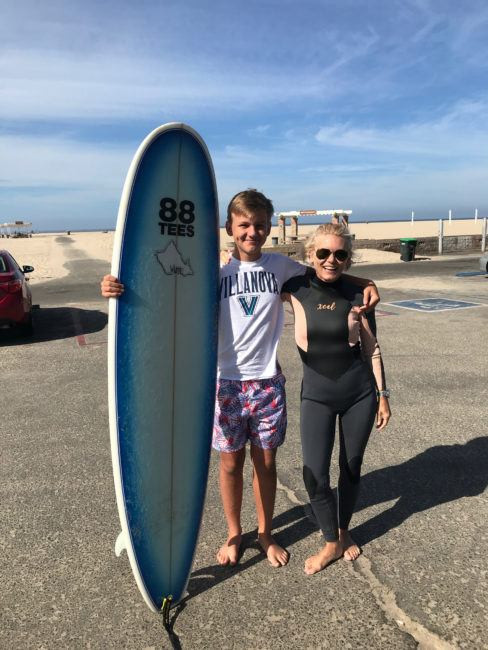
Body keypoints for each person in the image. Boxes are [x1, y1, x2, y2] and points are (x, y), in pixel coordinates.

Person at [101, 190, 381, 569]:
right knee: (230, 465)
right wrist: (117, 287)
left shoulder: (281, 268)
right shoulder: (209, 273)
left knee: (265, 466)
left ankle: (265, 532)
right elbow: (163, 291)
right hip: (225, 384)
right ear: (230, 227)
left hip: (267, 384)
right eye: (244, 225)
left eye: (260, 225)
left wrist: (366, 282)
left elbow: (328, 274)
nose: (253, 232)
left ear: (268, 228)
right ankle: (234, 533)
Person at [281, 223, 391, 575]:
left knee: (351, 467)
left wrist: (383, 396)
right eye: (323, 253)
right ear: (310, 254)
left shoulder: (360, 296)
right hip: (316, 394)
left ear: (348, 258)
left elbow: (372, 349)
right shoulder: (293, 287)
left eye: (340, 254)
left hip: (360, 393)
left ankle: (342, 532)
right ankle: (330, 541)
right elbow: (248, 276)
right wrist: (227, 255)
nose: (331, 260)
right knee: (314, 474)